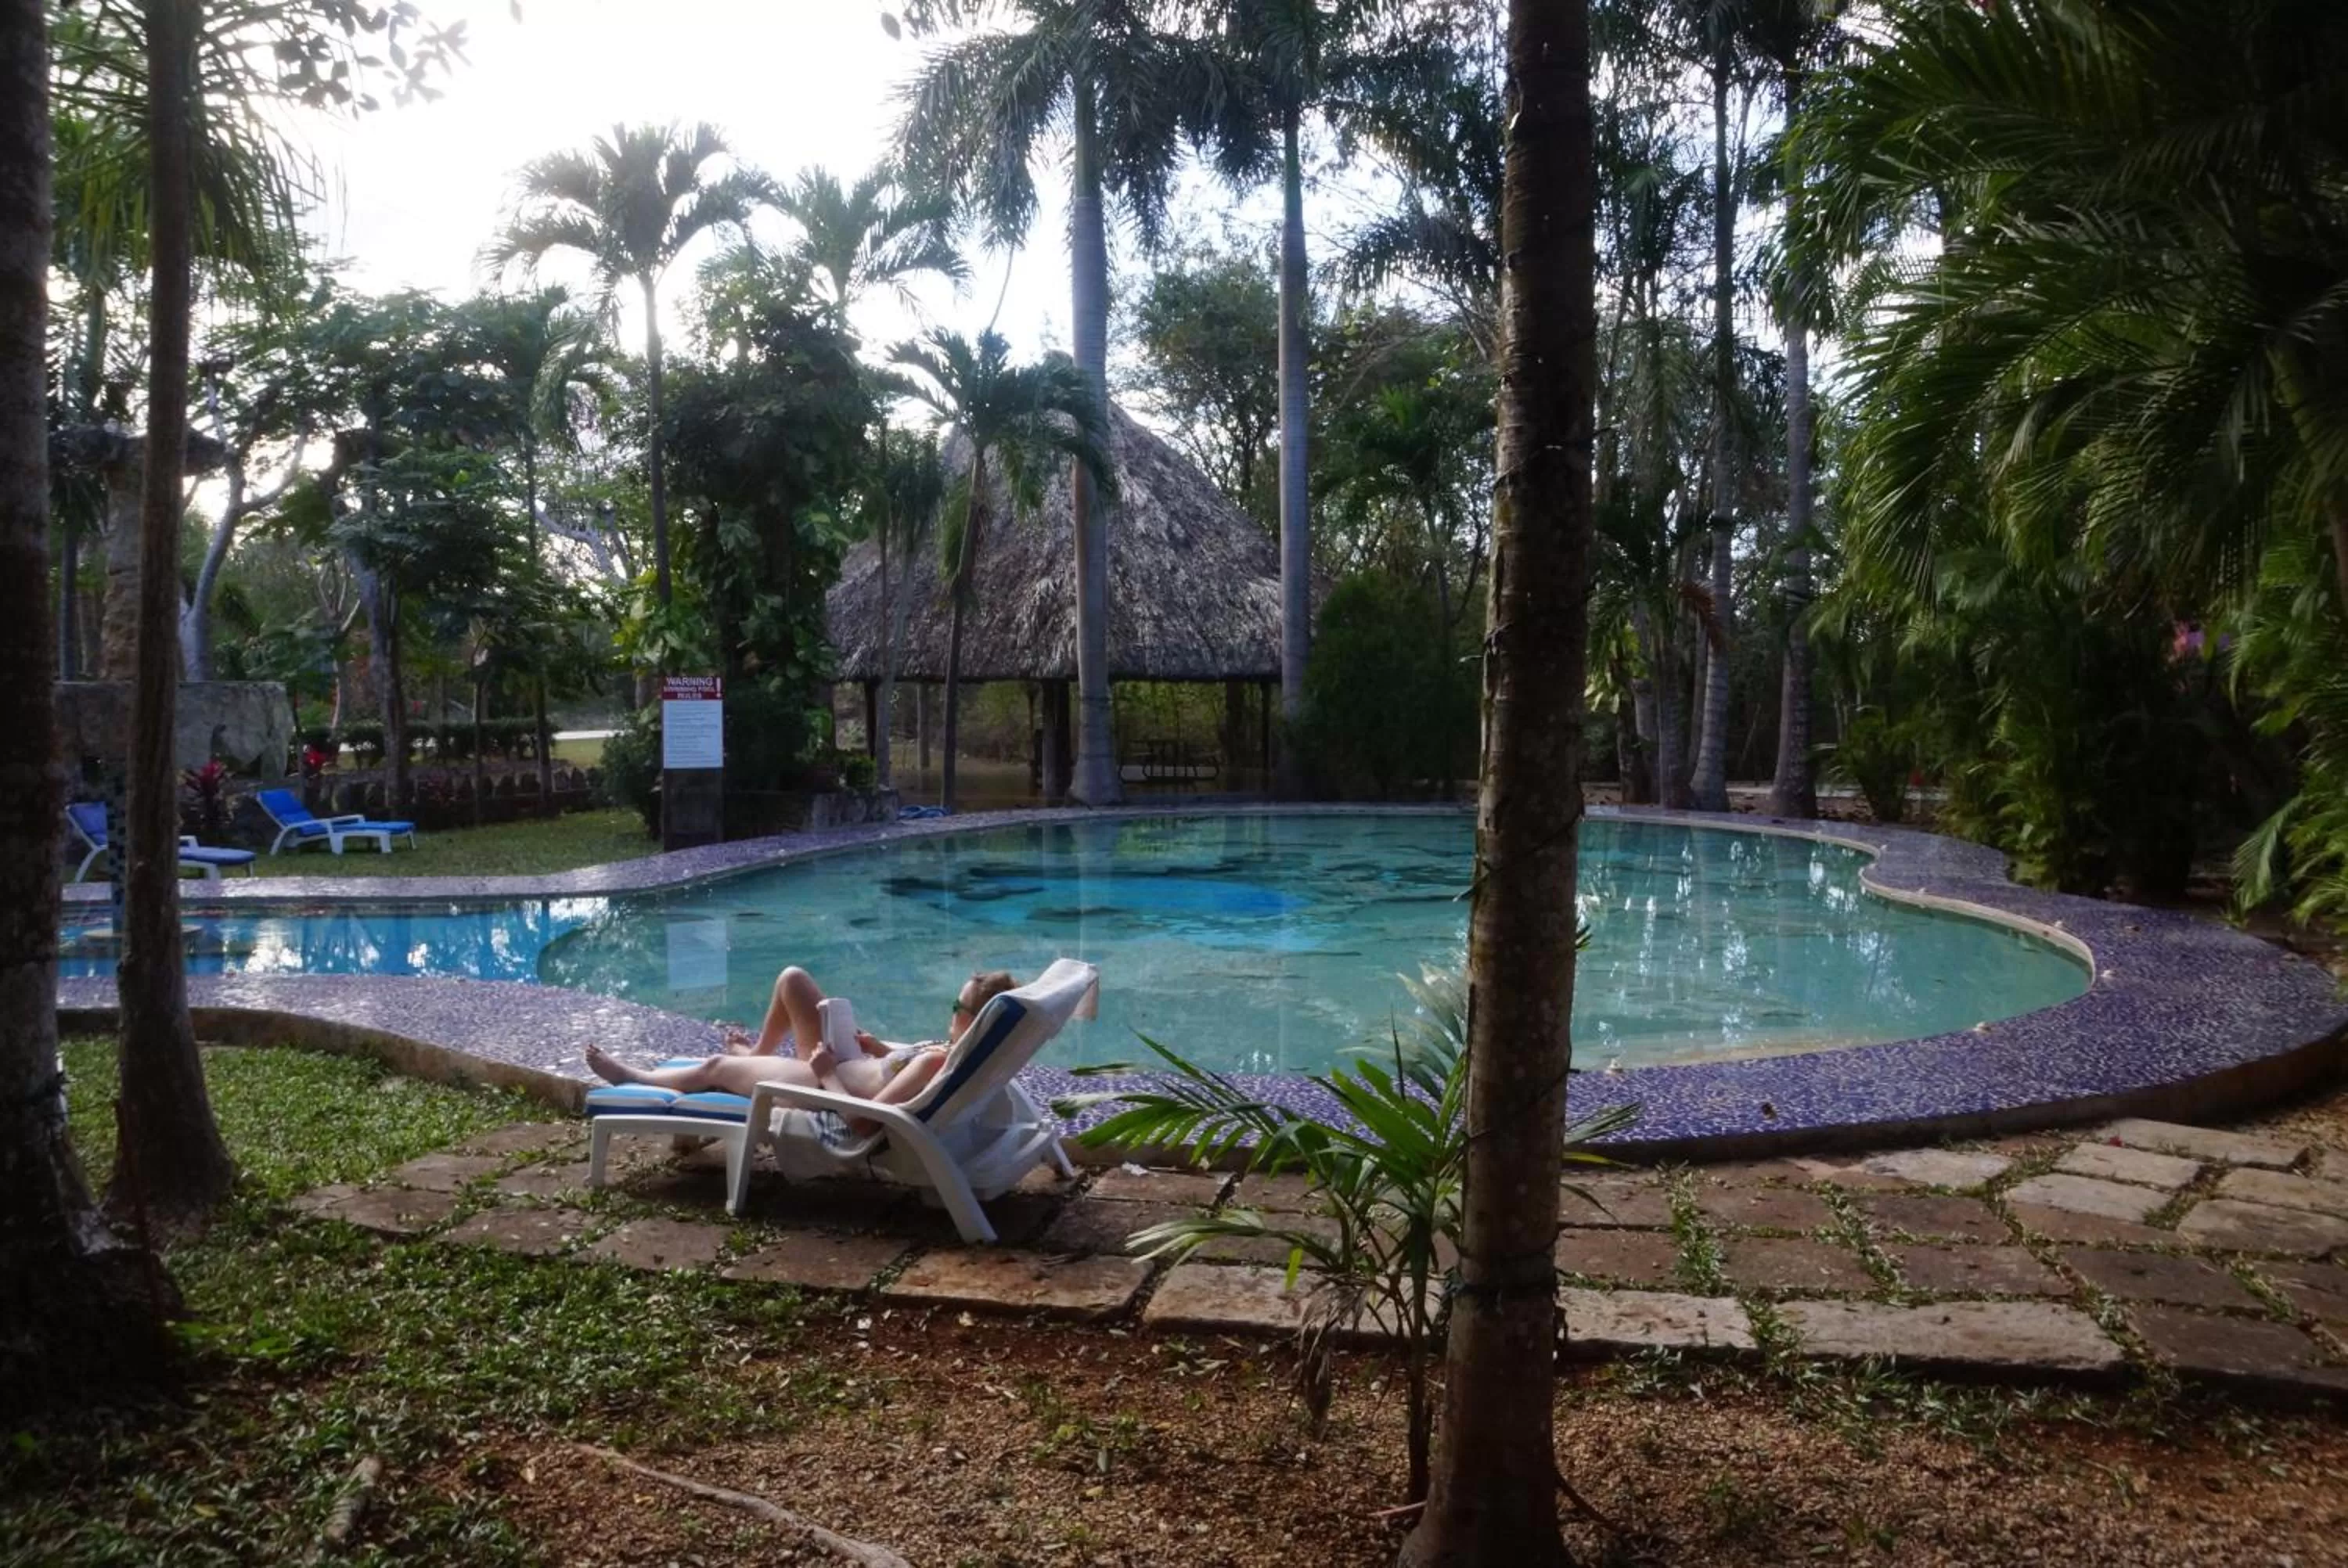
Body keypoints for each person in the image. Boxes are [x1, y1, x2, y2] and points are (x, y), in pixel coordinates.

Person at [582, 968, 1021, 1130]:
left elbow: (862, 1123)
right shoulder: (951, 1054)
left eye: (956, 1006)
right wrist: (877, 1048)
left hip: (819, 1084)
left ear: (976, 1020)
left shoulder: (935, 1062)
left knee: (714, 1066)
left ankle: (636, 1079)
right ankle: (755, 1056)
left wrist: (828, 1070)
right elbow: (903, 1072)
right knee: (793, 980)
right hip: (849, 1062)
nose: (951, 1011)